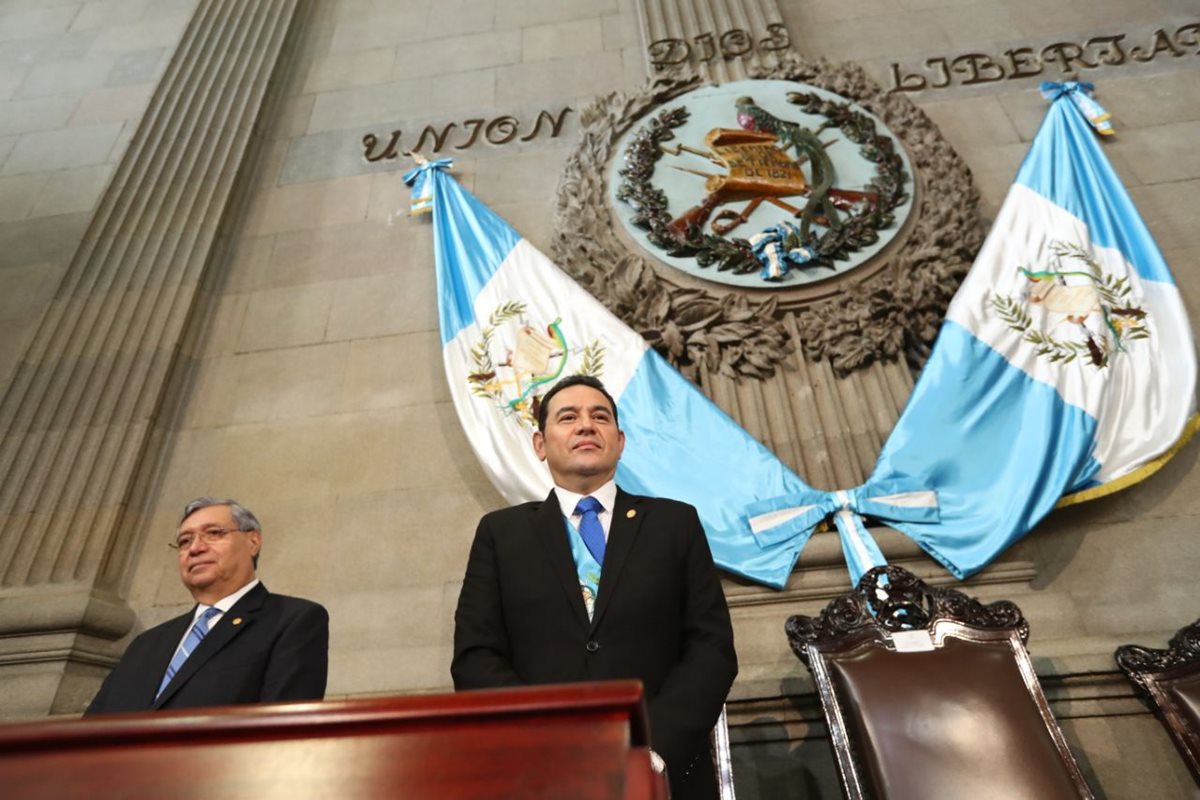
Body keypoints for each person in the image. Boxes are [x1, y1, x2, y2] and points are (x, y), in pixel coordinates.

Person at [452, 375, 737, 799]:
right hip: (540, 776)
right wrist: (549, 746)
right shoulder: (501, 534)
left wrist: (652, 748)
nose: (586, 425)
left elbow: (711, 648)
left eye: (599, 417)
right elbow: (476, 656)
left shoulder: (674, 524)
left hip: (663, 773)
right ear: (540, 444)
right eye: (568, 417)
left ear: (619, 441)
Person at [85, 497, 328, 715]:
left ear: (253, 541)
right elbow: (88, 734)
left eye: (213, 533)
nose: (195, 548)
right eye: (184, 541)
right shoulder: (146, 644)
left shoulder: (293, 621)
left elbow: (280, 731)